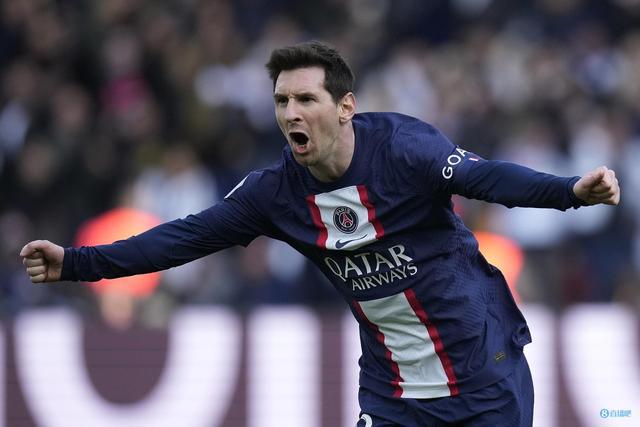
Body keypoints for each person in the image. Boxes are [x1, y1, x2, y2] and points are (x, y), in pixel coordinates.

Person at [20, 41, 620, 426]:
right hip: (394, 394)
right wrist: (76, 263)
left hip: (484, 373)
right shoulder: (274, 193)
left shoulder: (405, 149)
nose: (291, 113)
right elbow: (181, 238)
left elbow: (486, 178)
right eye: (282, 101)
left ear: (345, 107)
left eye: (306, 98)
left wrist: (569, 191)